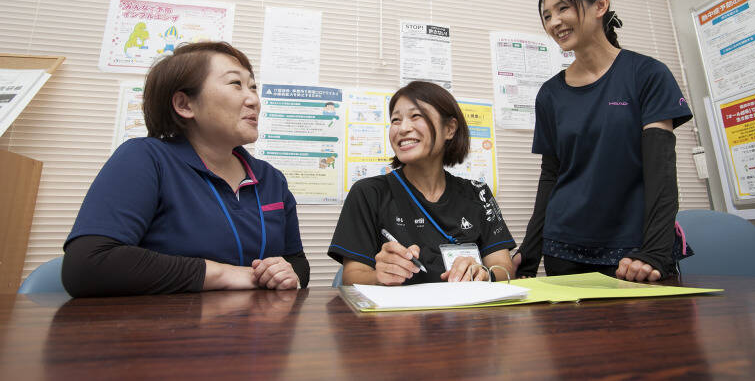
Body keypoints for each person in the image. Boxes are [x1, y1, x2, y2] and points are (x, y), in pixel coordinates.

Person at [62, 42, 309, 296]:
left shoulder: (271, 179)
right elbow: (86, 265)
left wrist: (287, 273)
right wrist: (225, 274)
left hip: (257, 330)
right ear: (185, 104)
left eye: (253, 87)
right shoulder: (146, 158)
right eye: (236, 84)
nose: (254, 100)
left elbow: (298, 264)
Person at [513, 0, 692, 282]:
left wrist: (655, 252)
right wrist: (528, 256)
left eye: (562, 8)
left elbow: (660, 171)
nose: (554, 22)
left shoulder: (647, 75)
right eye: (546, 15)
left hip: (633, 252)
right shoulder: (550, 94)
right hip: (563, 250)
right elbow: (551, 177)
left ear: (600, 5)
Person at [328, 81, 515, 285]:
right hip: (398, 315)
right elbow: (351, 277)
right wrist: (380, 276)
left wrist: (484, 273)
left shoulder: (478, 193)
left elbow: (505, 269)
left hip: (466, 314)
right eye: (396, 120)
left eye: (416, 116)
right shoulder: (368, 193)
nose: (403, 128)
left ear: (450, 129)